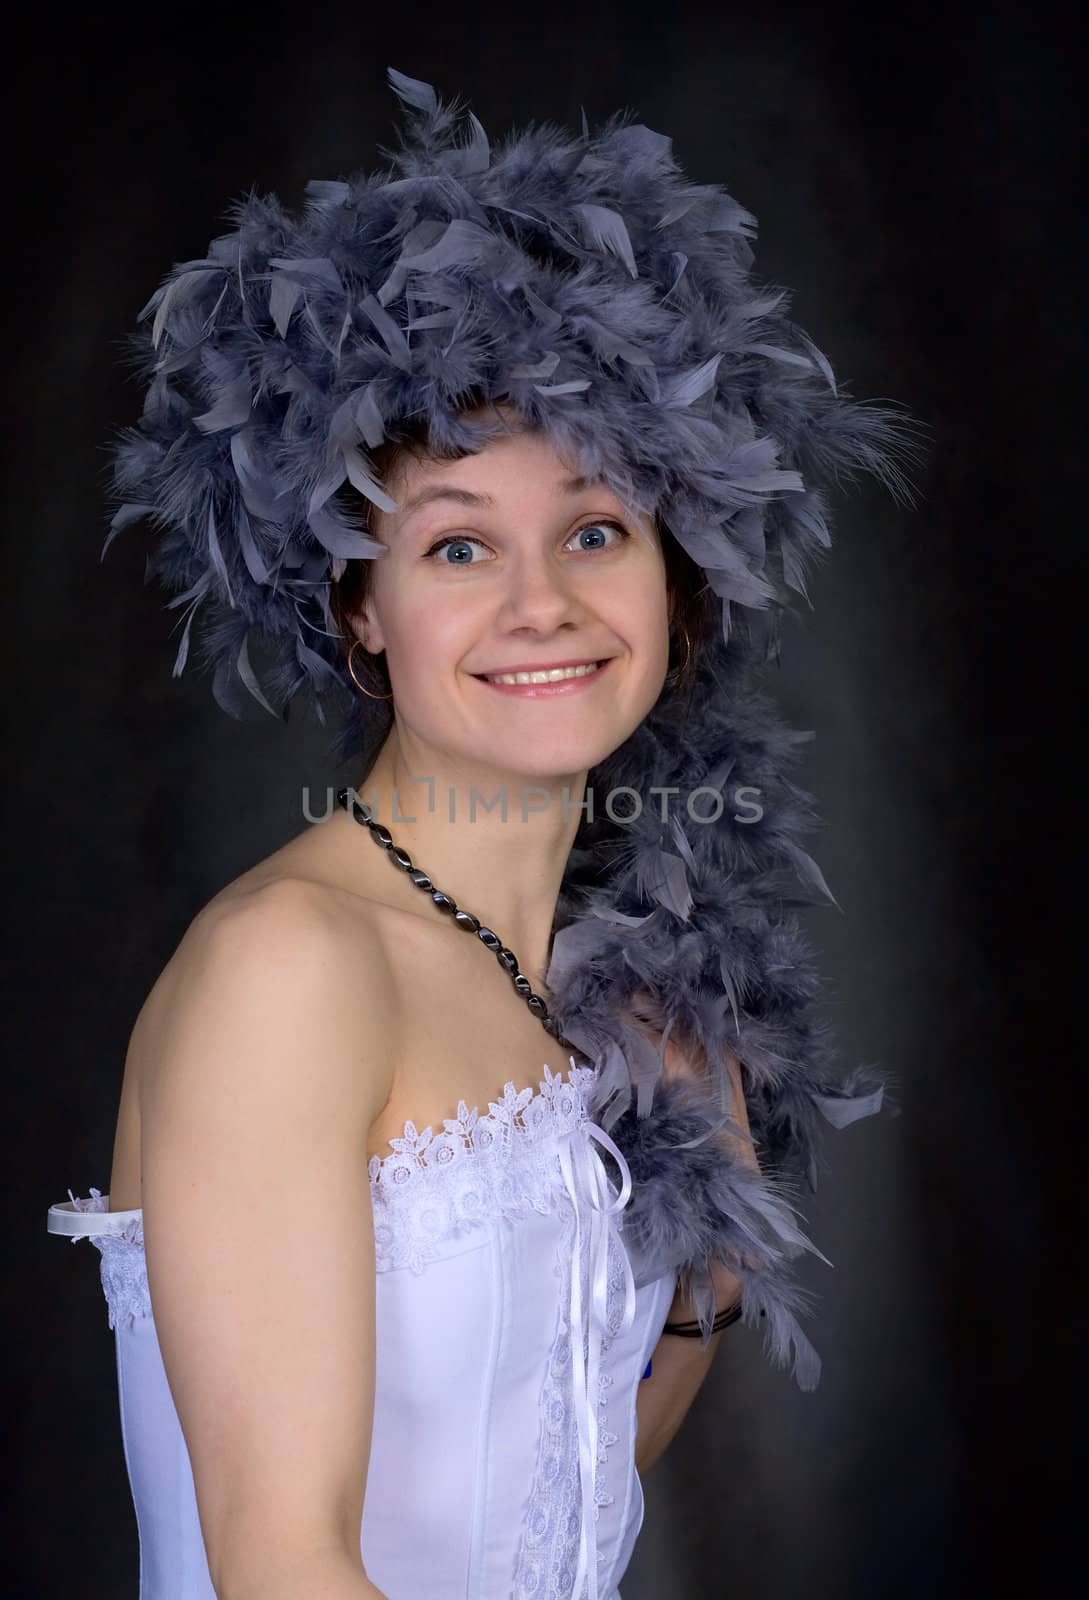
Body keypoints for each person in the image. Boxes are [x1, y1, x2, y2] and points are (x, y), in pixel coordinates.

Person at [47, 67, 917, 1600]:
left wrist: (701, 1246)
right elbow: (281, 1567)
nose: (542, 606)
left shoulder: (617, 999)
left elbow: (563, 1496)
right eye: (458, 542)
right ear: (359, 609)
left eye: (594, 531)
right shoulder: (289, 969)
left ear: (673, 579)